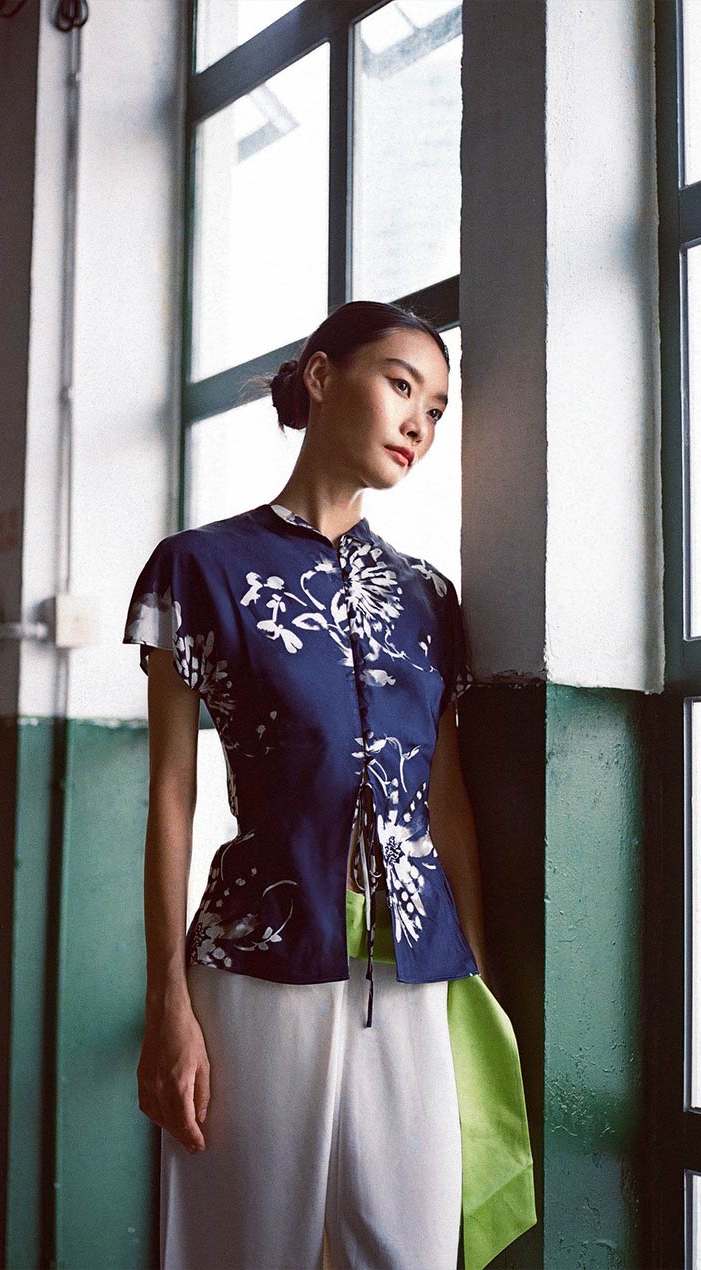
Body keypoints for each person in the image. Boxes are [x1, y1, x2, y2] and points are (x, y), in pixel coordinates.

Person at [125, 300, 534, 1269]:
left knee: (413, 1249)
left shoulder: (428, 597)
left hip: (413, 974)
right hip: (253, 965)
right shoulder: (199, 569)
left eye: (435, 410)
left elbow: (445, 801)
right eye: (399, 386)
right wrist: (167, 1003)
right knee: (243, 1249)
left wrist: (474, 973)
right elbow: (172, 797)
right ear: (319, 378)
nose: (417, 425)